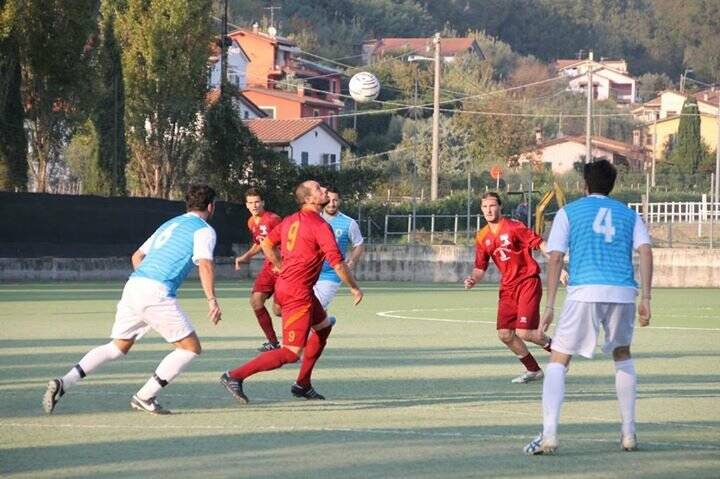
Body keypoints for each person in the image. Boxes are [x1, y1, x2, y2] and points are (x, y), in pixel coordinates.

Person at [42, 184, 222, 415]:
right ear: (211, 206)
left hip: (134, 286)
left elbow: (137, 256)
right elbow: (205, 263)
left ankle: (63, 382)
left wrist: (147, 284)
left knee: (117, 347)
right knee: (190, 348)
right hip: (155, 292)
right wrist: (211, 300)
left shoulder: (170, 224)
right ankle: (145, 396)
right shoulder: (204, 230)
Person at [524, 159, 653, 455]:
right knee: (622, 354)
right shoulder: (628, 214)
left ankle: (550, 435)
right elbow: (646, 250)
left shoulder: (569, 213)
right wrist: (645, 298)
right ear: (613, 185)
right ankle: (629, 433)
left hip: (584, 290)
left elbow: (555, 258)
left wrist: (550, 305)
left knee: (559, 359)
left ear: (584, 184)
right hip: (622, 291)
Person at [220, 180, 363, 402]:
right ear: (309, 199)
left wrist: (279, 265)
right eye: (318, 189)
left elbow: (266, 243)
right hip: (297, 294)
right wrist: (354, 288)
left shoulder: (290, 220)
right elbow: (337, 263)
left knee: (323, 328)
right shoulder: (319, 225)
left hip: (296, 288)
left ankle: (303, 384)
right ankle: (234, 376)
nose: (324, 190)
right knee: (291, 352)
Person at [464, 191, 563, 384]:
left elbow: (540, 243)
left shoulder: (514, 227)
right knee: (505, 334)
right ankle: (533, 370)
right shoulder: (482, 236)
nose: (488, 210)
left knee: (525, 333)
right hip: (508, 288)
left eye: (492, 205)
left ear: (500, 207)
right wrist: (473, 279)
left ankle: (561, 354)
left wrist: (559, 264)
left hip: (527, 281)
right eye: (484, 207)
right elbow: (479, 267)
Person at [234, 188, 283, 352]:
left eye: (257, 202)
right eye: (250, 202)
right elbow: (259, 243)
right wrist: (246, 256)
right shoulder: (250, 222)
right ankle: (273, 343)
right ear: (246, 205)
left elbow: (289, 241)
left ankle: (314, 321)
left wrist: (282, 265)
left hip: (284, 266)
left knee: (278, 310)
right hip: (269, 267)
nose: (254, 205)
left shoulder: (273, 219)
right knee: (256, 301)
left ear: (263, 203)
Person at [313, 187, 365, 310]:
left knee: (315, 308)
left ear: (339, 201)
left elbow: (359, 244)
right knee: (304, 307)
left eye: (335, 200)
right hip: (311, 271)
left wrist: (351, 262)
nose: (332, 203)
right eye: (329, 199)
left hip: (332, 274)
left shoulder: (349, 223)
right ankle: (326, 323)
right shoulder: (314, 218)